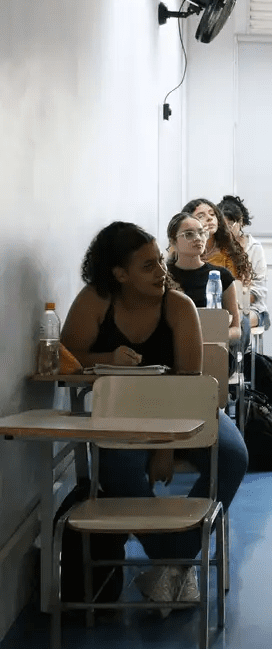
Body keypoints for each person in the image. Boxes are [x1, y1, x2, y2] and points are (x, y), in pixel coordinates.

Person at [60, 222, 248, 610]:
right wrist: (106, 359)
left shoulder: (177, 306)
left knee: (233, 456)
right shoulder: (97, 301)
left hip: (184, 409)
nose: (162, 271)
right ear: (119, 274)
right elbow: (68, 359)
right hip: (124, 417)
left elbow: (190, 385)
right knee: (118, 471)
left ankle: (172, 559)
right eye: (147, 266)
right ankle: (178, 560)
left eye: (159, 262)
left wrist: (166, 447)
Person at [166, 213, 244, 346]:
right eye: (189, 234)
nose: (198, 238)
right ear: (173, 241)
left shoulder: (221, 275)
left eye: (201, 233)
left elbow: (236, 330)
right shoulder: (164, 274)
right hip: (173, 346)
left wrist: (213, 337)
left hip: (212, 347)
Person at [218, 195, 270, 330]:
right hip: (223, 308)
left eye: (229, 225)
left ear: (240, 222)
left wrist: (236, 303)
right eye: (222, 227)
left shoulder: (254, 248)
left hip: (253, 309)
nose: (226, 231)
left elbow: (258, 291)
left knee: (239, 321)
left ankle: (240, 352)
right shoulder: (216, 248)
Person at [182, 198, 253, 288]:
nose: (209, 218)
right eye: (201, 216)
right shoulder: (180, 249)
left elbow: (235, 291)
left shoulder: (229, 251)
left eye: (212, 214)